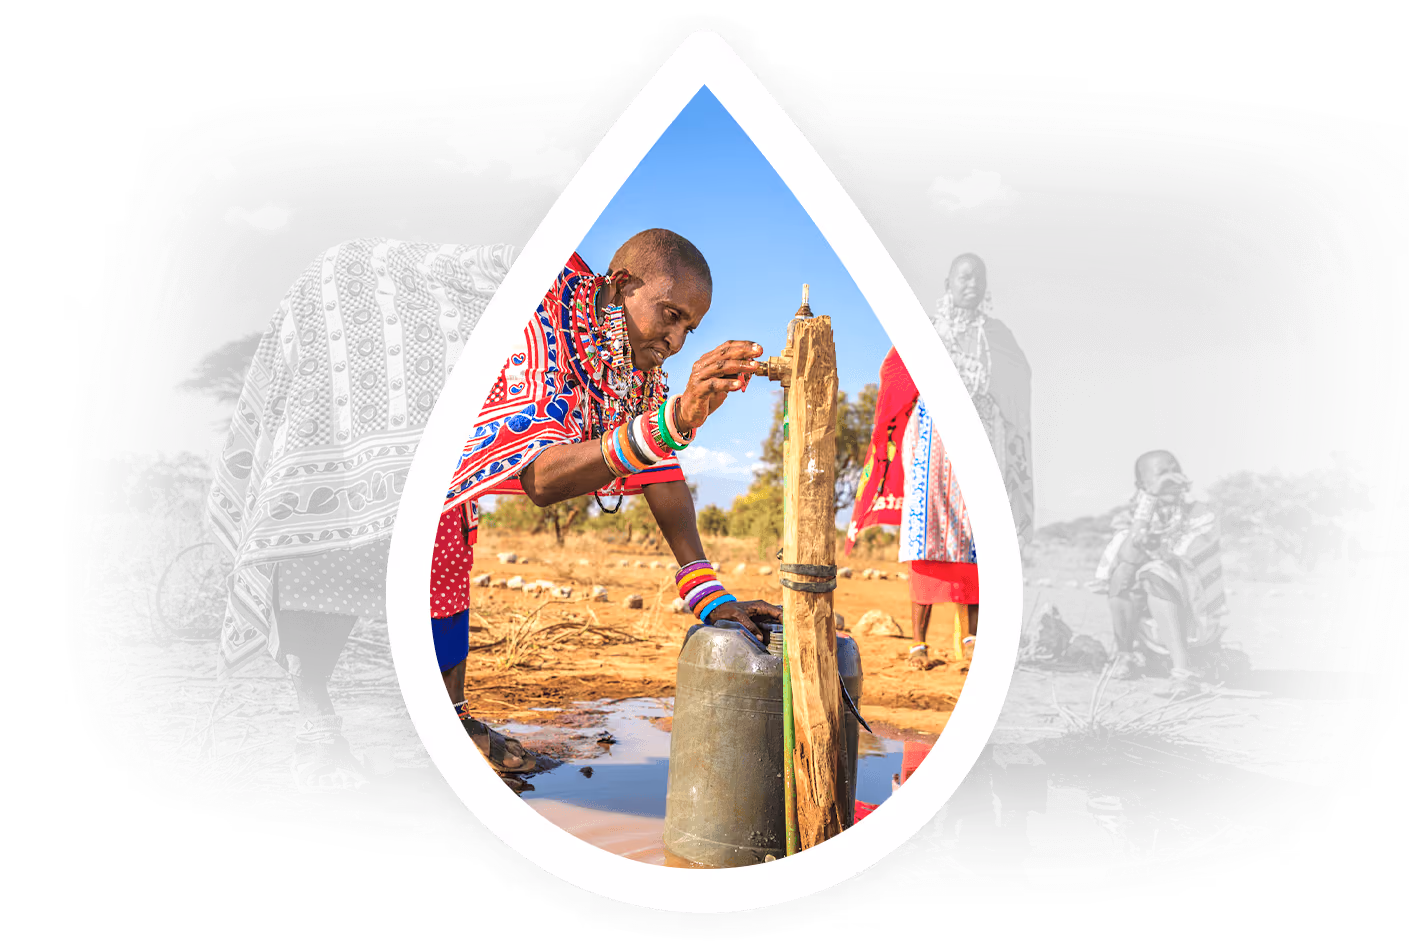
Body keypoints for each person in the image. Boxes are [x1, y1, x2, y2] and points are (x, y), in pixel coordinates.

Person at [427, 229, 782, 776]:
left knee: (447, 554)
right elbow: (540, 479)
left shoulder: (633, 368)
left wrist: (710, 599)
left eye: (689, 326)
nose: (677, 339)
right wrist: (675, 420)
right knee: (432, 539)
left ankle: (450, 718)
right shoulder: (541, 315)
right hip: (409, 439)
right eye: (670, 314)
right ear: (620, 287)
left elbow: (660, 471)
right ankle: (327, 724)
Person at [845, 253, 1033, 670]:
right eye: (965, 277)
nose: (973, 285)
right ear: (947, 282)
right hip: (931, 443)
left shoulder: (996, 336)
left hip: (982, 443)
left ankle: (970, 641)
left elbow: (1018, 379)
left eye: (979, 279)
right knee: (925, 536)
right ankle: (918, 646)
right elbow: (894, 371)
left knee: (975, 540)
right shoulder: (926, 331)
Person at [1101, 449, 1226, 698]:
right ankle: (1125, 654)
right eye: (1162, 474)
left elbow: (1182, 559)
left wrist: (1152, 545)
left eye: (1175, 470)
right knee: (1122, 572)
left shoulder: (1202, 513)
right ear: (1142, 485)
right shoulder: (1129, 517)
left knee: (1156, 571)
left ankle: (1183, 674)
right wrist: (1149, 501)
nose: (1172, 478)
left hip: (1194, 614)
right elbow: (1129, 556)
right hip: (1147, 619)